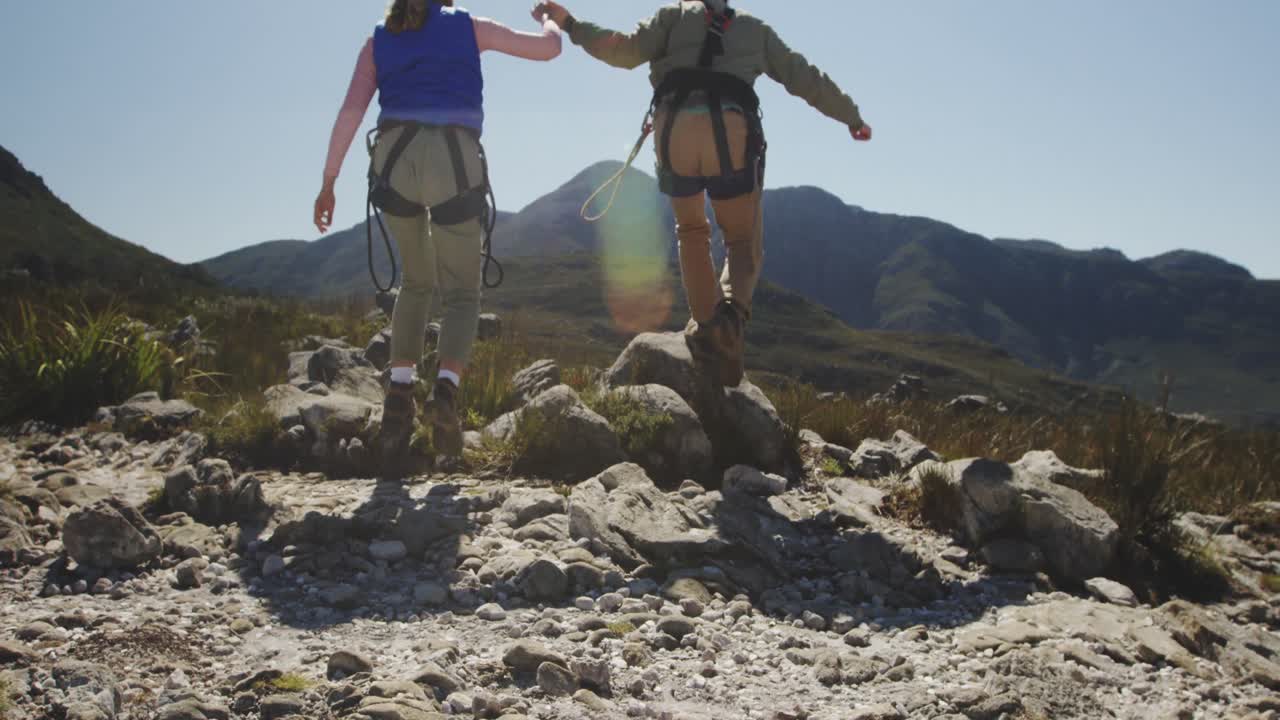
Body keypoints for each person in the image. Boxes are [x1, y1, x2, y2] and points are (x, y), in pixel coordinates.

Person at [537, 0, 871, 386]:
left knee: (691, 230)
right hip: (729, 131)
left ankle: (707, 326)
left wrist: (571, 24)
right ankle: (730, 319)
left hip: (673, 127)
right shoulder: (754, 29)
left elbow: (622, 49)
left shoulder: (671, 17)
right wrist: (851, 116)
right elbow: (804, 77)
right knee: (742, 239)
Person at [314, 0, 562, 462]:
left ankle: (398, 395)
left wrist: (329, 182)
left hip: (393, 162)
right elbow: (549, 50)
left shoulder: (378, 39)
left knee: (415, 282)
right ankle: (445, 393)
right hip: (454, 160)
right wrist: (552, 19)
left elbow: (349, 113)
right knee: (463, 293)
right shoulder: (468, 27)